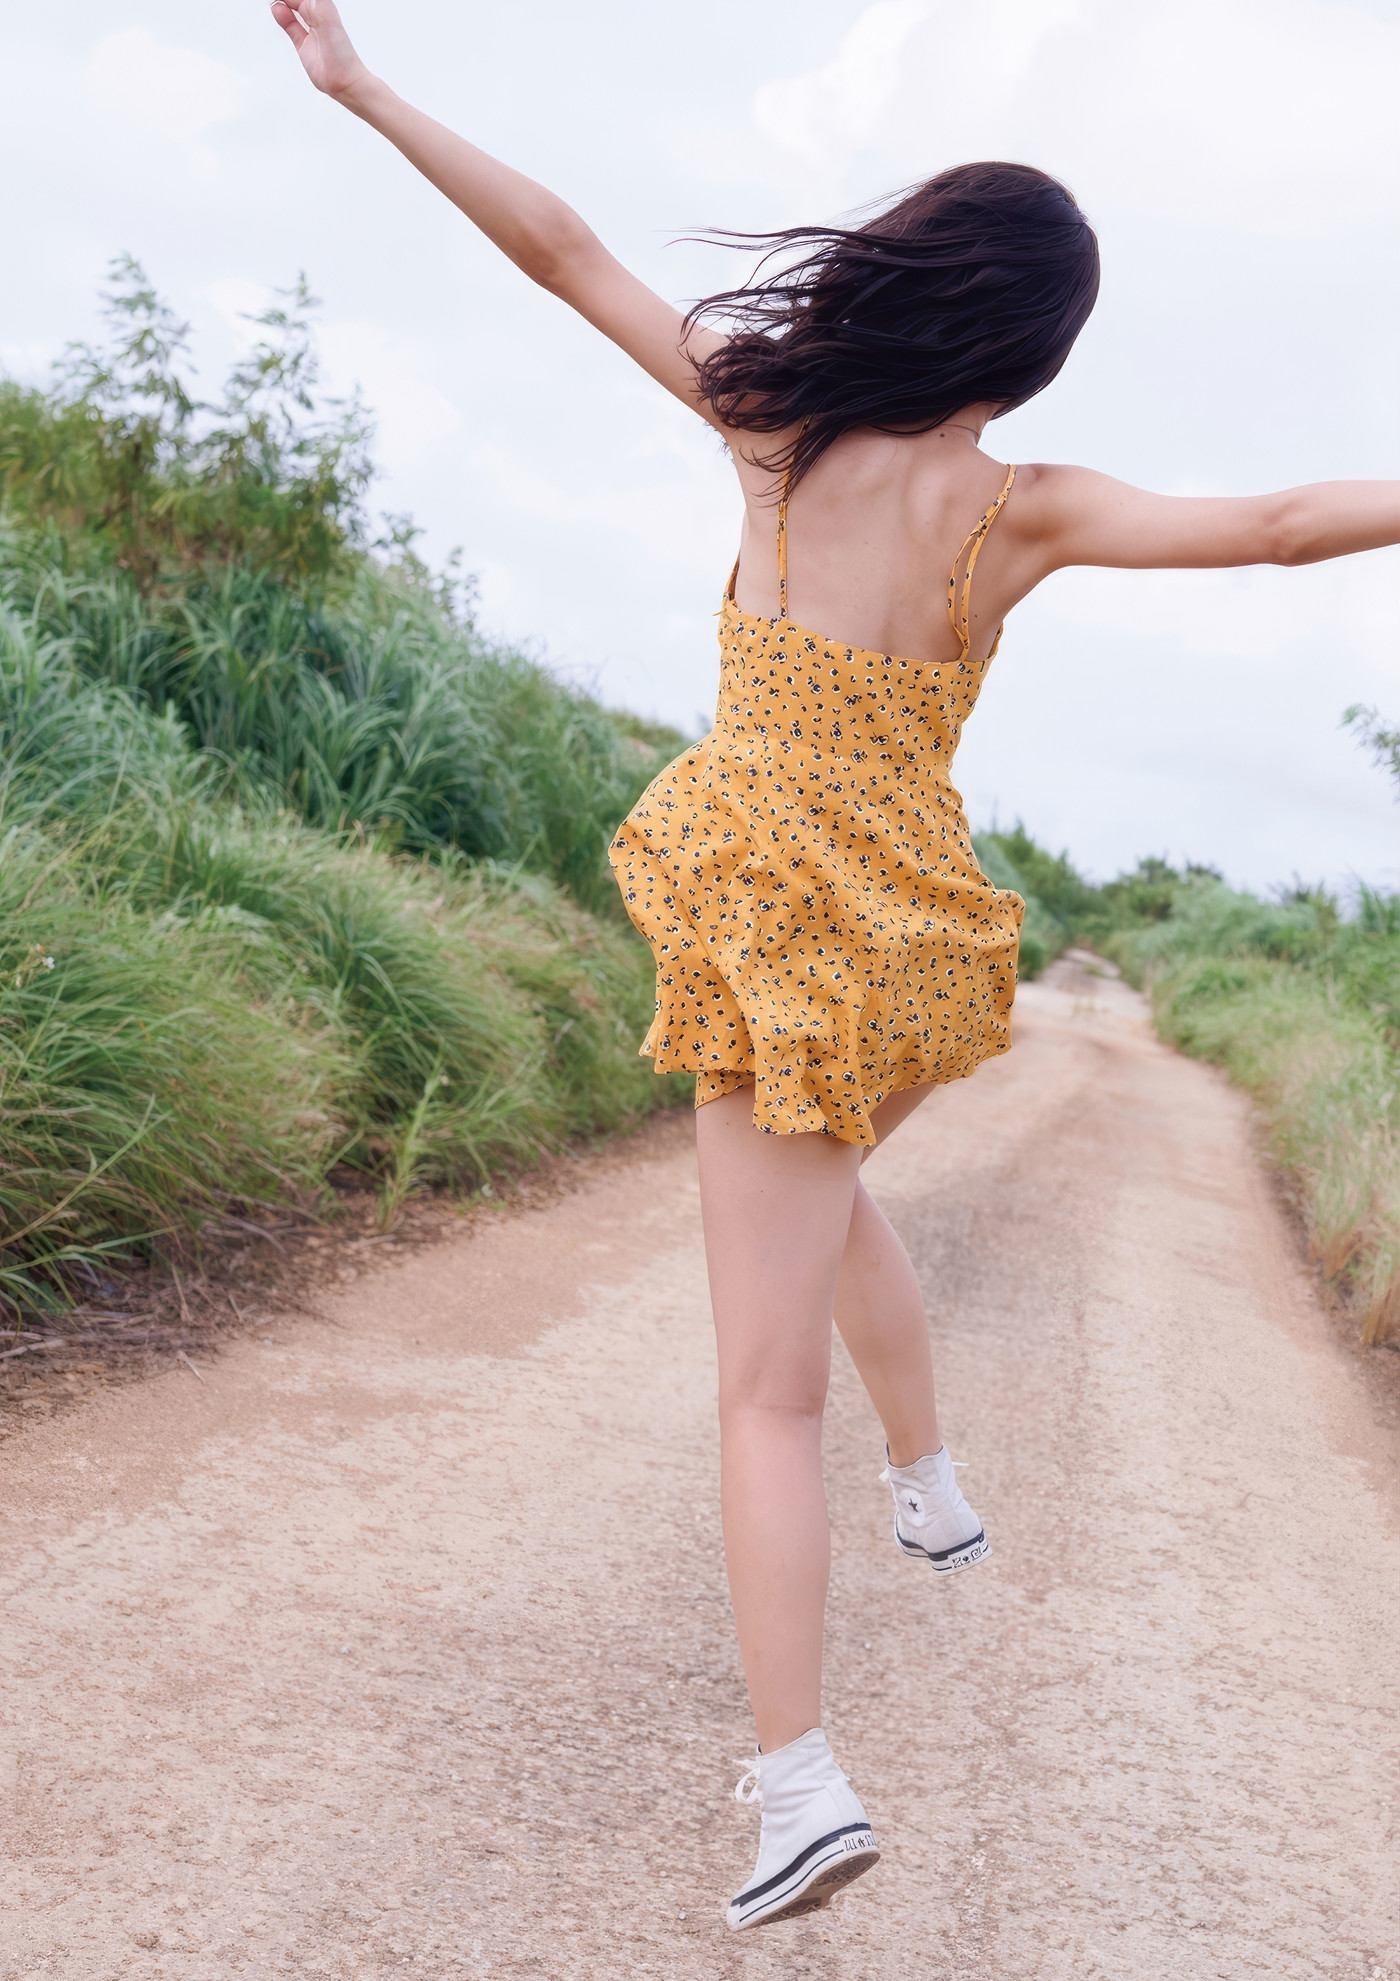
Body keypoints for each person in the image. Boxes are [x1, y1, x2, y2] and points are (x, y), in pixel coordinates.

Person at [273, 0, 1400, 1931]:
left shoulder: (776, 427)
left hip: (771, 909)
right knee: (826, 1187)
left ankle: (798, 1782)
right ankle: (935, 1473)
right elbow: (1292, 527)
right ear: (1032, 344)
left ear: (912, 273)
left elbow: (559, 252)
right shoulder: (1018, 512)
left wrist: (367, 90)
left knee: (754, 1385)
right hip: (907, 928)